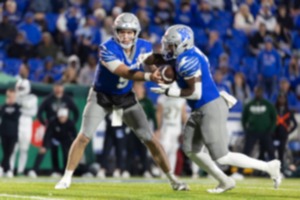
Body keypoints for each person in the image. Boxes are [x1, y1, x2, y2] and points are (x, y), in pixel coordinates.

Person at [55, 13, 188, 191]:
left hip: (125, 98)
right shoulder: (107, 48)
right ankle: (67, 177)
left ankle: (173, 179)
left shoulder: (143, 46)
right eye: (122, 32)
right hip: (102, 97)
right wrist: (150, 76)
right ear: (116, 32)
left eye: (129, 32)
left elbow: (151, 62)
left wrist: (161, 71)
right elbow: (123, 71)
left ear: (136, 33)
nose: (125, 36)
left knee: (150, 139)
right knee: (84, 136)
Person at [150, 25, 281, 193]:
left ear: (183, 44)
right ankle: (225, 181)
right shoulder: (188, 54)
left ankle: (269, 166)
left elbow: (195, 93)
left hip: (209, 107)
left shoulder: (187, 60)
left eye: (171, 44)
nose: (167, 48)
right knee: (191, 149)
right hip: (200, 108)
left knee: (222, 156)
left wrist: (170, 91)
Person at [232, 86, 277, 180]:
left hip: (265, 132)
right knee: (246, 152)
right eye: (257, 92)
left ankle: (276, 173)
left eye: (260, 92)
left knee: (271, 152)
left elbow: (274, 117)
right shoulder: (249, 104)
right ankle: (239, 172)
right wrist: (246, 129)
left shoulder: (268, 104)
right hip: (252, 132)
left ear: (262, 93)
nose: (258, 94)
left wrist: (271, 130)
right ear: (254, 92)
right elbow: (244, 118)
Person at [29, 108, 77, 177]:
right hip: (54, 139)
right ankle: (34, 170)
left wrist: (74, 147)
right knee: (43, 151)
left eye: (63, 117)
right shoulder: (53, 122)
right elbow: (47, 135)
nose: (62, 119)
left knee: (67, 153)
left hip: (65, 140)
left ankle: (66, 172)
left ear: (66, 117)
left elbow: (74, 136)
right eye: (61, 117)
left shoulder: (70, 123)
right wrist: (44, 146)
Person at [156, 83, 187, 172]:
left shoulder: (181, 99)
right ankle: (162, 170)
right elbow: (159, 114)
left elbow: (183, 115)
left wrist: (186, 127)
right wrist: (158, 128)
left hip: (176, 127)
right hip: (166, 126)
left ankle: (171, 171)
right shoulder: (162, 99)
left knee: (173, 149)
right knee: (164, 148)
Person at [10, 79, 38, 176]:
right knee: (13, 148)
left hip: (26, 124)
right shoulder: (14, 96)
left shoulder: (32, 97)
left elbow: (33, 112)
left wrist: (20, 108)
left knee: (24, 149)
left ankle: (20, 170)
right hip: (16, 123)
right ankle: (10, 169)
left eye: (22, 88)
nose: (20, 89)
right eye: (19, 88)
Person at [274, 93, 297, 174]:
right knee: (272, 152)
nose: (281, 100)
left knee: (281, 153)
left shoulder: (288, 111)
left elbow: (295, 124)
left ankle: (280, 171)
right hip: (274, 135)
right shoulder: (274, 109)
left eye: (283, 99)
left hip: (283, 135)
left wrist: (289, 131)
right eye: (280, 98)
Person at [0, 89, 21, 178]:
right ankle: (7, 169)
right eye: (9, 96)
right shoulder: (3, 107)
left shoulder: (18, 107)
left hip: (13, 133)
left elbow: (15, 117)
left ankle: (3, 167)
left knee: (10, 152)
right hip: (4, 132)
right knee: (5, 151)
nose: (11, 98)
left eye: (12, 96)